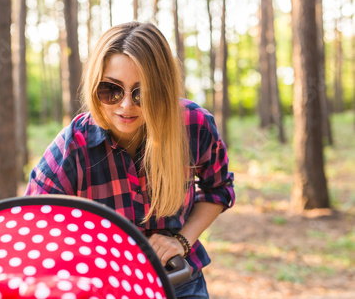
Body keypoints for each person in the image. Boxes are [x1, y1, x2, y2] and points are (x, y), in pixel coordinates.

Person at [25, 21, 235, 298]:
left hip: (179, 282)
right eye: (110, 90)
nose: (126, 105)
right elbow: (32, 223)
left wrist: (182, 240)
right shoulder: (73, 145)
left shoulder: (194, 125)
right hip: (104, 287)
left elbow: (218, 190)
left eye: (142, 92)